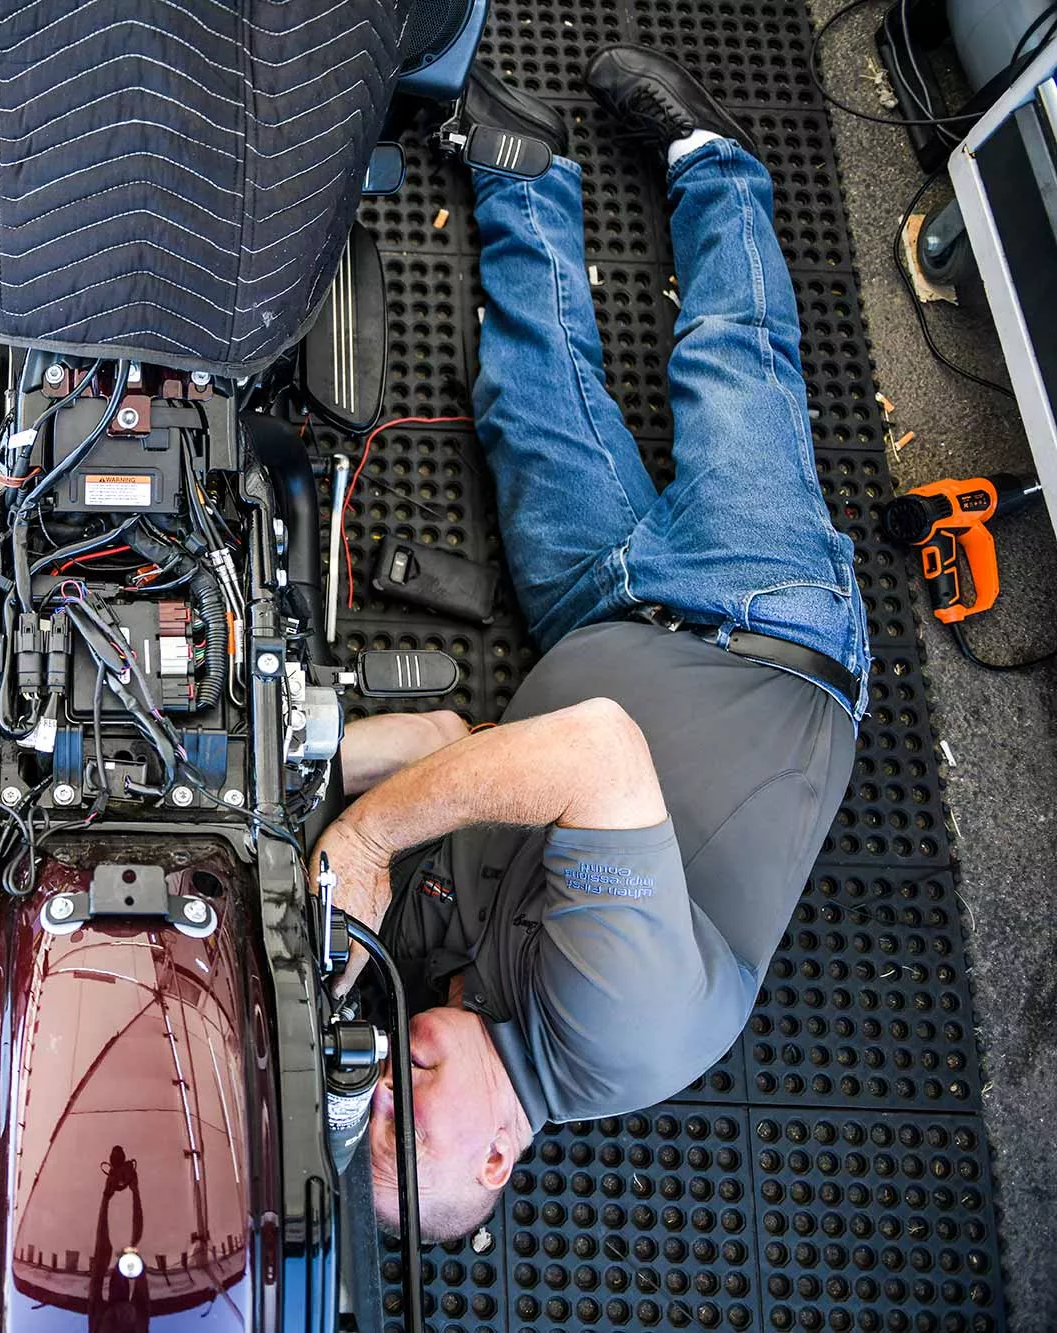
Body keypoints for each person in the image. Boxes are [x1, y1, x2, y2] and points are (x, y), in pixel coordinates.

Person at [316, 47, 870, 1243]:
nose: (384, 1094)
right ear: (499, 1156)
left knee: (521, 399)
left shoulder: (450, 997)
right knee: (729, 363)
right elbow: (598, 758)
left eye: (364, 1115)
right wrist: (368, 832)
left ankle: (526, 173)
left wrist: (291, 767)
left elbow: (454, 745)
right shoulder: (612, 1028)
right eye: (406, 1135)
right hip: (756, 621)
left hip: (597, 615)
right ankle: (713, 163)